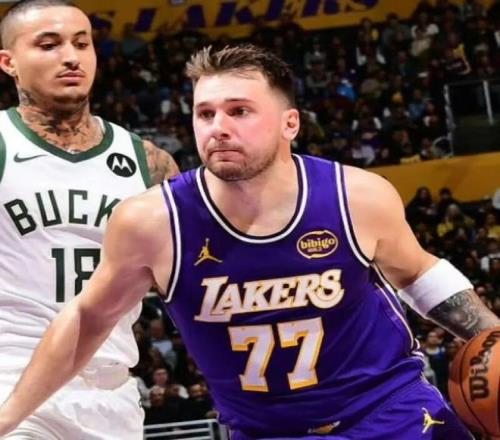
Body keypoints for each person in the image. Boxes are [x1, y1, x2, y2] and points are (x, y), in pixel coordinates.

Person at [1, 44, 499, 439]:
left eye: (239, 111)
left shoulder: (357, 195)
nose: (218, 128)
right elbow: (87, 319)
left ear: (290, 123)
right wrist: (7, 419)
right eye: (205, 114)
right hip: (266, 431)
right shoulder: (152, 221)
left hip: (394, 414)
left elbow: (419, 273)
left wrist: (493, 335)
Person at [0, 1, 178, 439]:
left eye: (82, 43)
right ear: (9, 62)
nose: (70, 56)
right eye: (49, 44)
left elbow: (190, 282)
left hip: (112, 393)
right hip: (11, 379)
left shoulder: (148, 163)